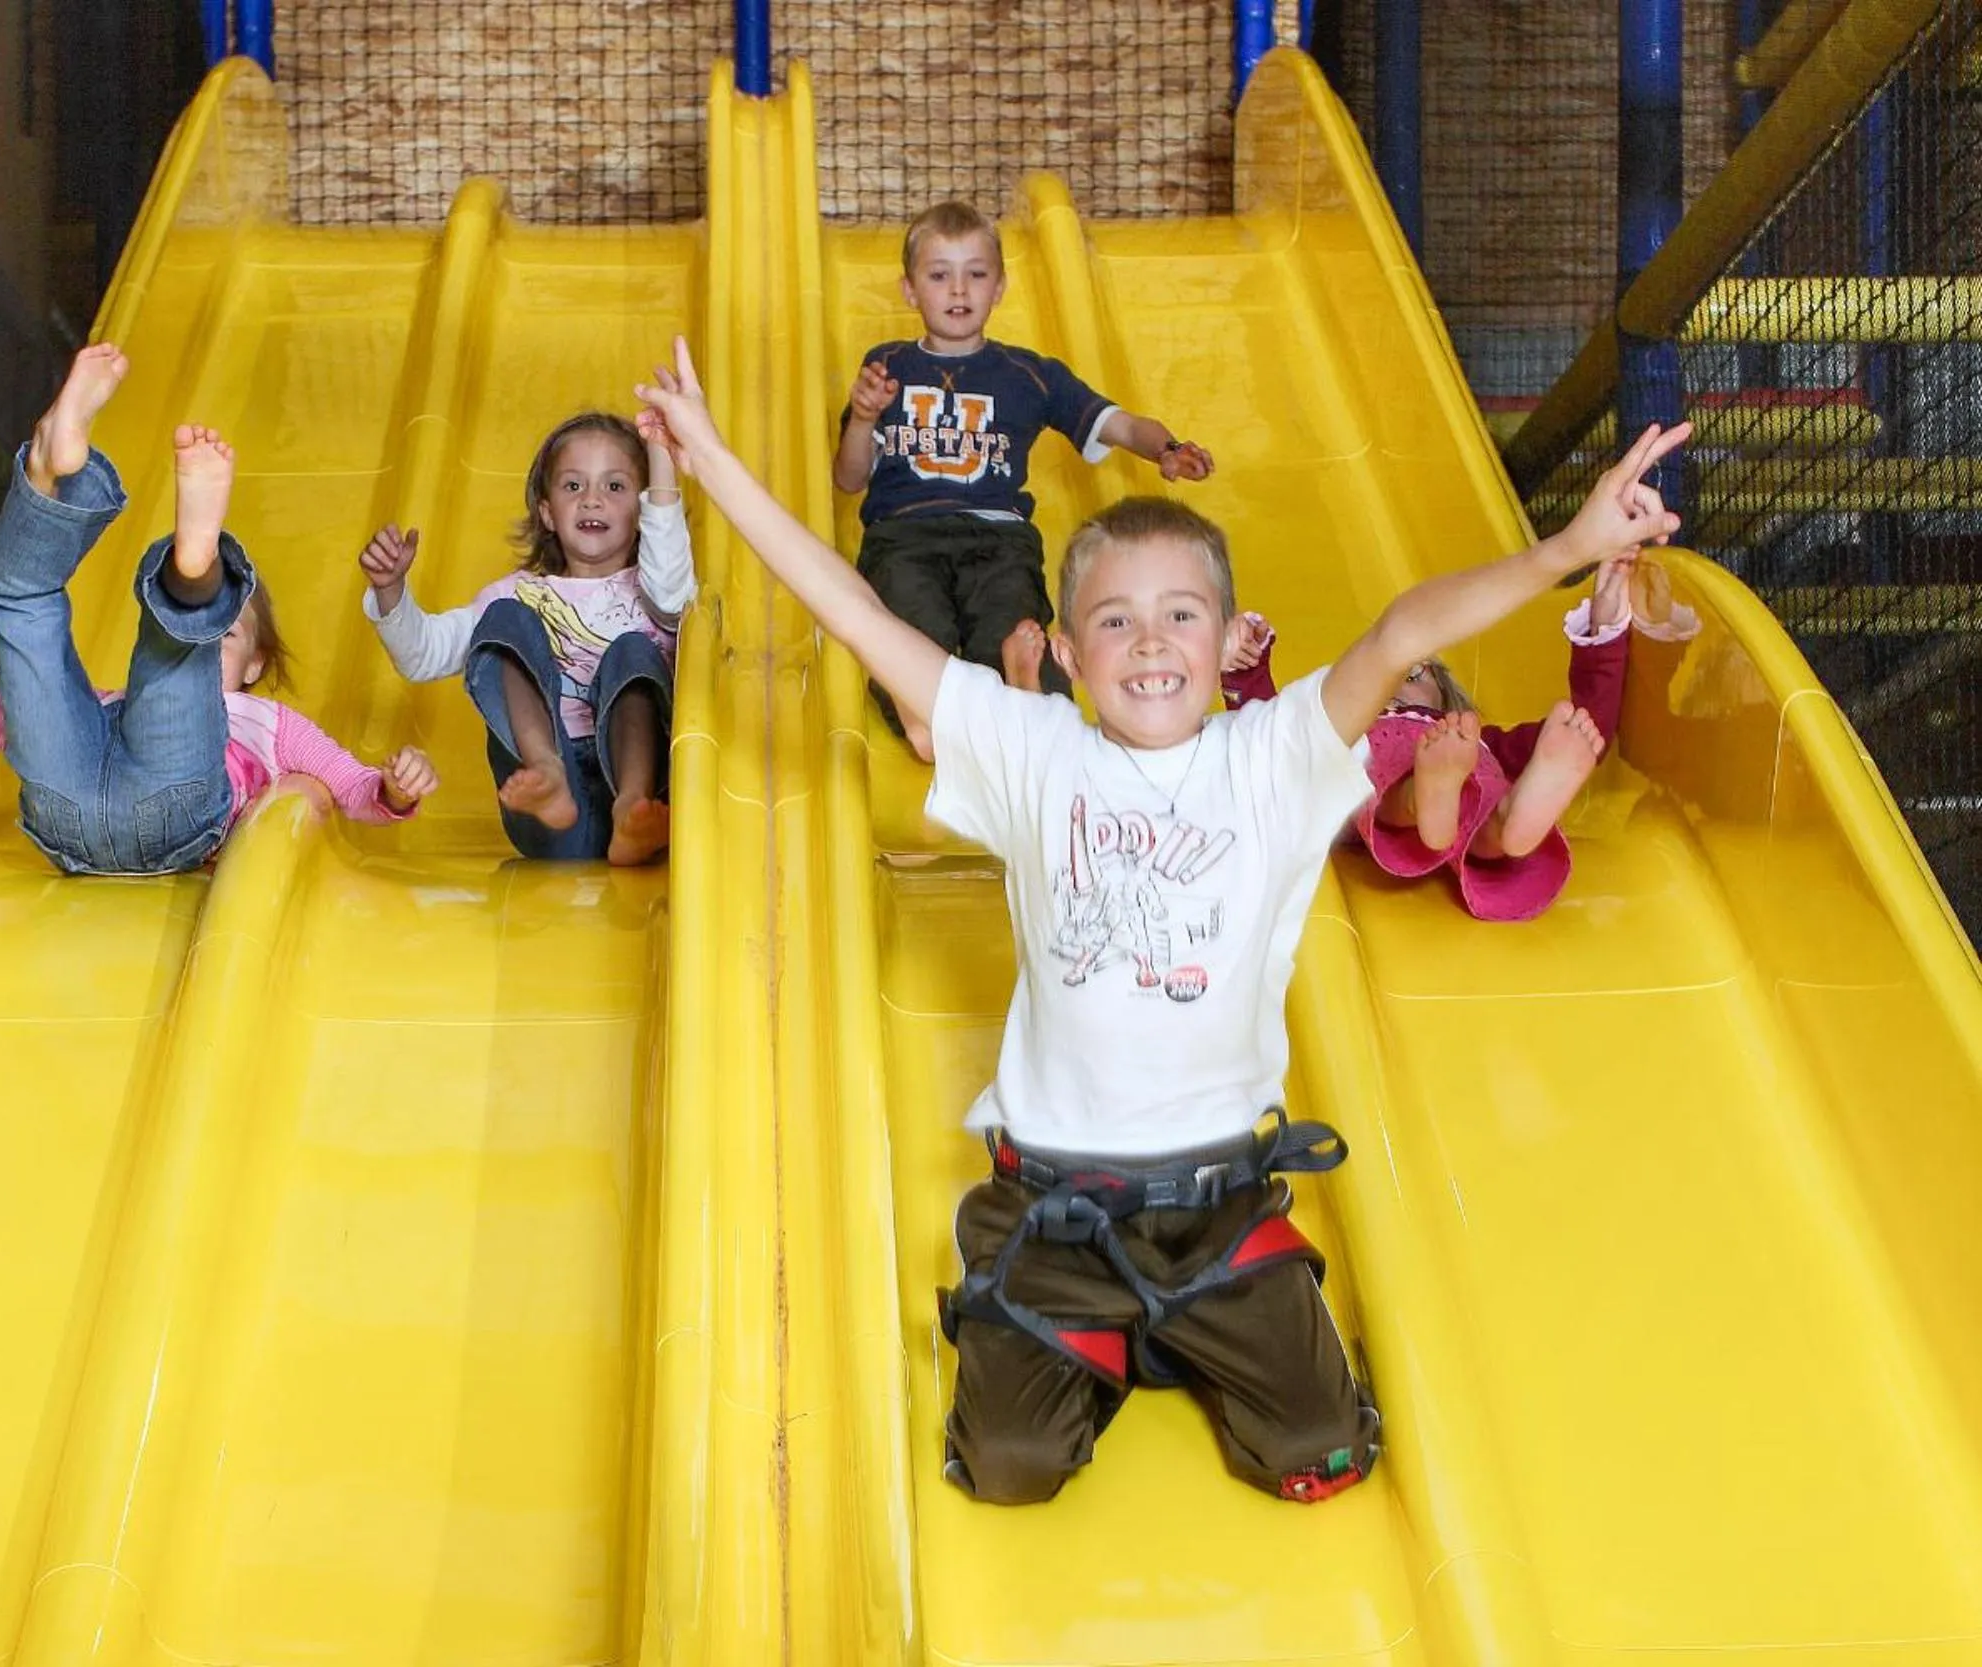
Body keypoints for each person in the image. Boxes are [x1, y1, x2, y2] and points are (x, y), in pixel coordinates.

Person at [635, 333, 1688, 1503]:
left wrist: (1569, 548)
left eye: (1181, 615)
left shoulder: (1272, 756)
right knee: (1009, 1469)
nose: (1148, 641)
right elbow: (855, 613)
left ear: (1230, 642)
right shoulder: (1031, 749)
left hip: (1218, 1202)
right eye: (1116, 621)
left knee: (1318, 1452)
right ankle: (1105, 1332)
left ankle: (1184, 1323)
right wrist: (712, 462)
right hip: (1056, 1202)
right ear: (1066, 653)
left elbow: (1401, 633)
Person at [0, 342, 436, 873]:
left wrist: (396, 789)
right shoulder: (106, 705)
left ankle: (190, 577)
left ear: (255, 664)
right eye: (217, 632)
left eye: (226, 636)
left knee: (174, 653)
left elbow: (355, 789)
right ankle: (49, 475)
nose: (217, 647)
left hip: (169, 813)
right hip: (64, 804)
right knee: (21, 606)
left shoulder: (270, 725)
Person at [834, 198, 1214, 758]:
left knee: (1011, 621)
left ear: (1000, 287)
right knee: (911, 625)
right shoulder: (887, 366)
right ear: (910, 290)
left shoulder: (1030, 375)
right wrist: (865, 417)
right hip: (903, 536)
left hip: (998, 538)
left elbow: (1120, 423)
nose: (958, 290)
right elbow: (848, 479)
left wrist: (1168, 449)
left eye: (976, 274)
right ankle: (927, 719)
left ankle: (1024, 688)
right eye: (939, 276)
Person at [1223, 554, 1701, 921]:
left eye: (1414, 673)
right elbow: (1270, 742)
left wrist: (1605, 623)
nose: (1394, 684)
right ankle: (1431, 801)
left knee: (1487, 799)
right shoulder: (1348, 727)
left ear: (1447, 696)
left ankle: (1510, 818)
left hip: (1457, 779)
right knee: (1356, 769)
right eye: (1379, 676)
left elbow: (1588, 727)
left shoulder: (1472, 742)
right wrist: (1246, 669)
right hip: (1371, 791)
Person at [358, 411, 691, 865]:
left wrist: (661, 459)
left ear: (643, 510)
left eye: (615, 486)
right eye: (573, 486)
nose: (592, 500)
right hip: (549, 818)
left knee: (633, 651)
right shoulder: (517, 595)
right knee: (505, 620)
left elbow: (671, 587)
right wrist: (390, 589)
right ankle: (546, 770)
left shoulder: (660, 595)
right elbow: (423, 655)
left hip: (638, 800)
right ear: (548, 512)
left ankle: (633, 808)